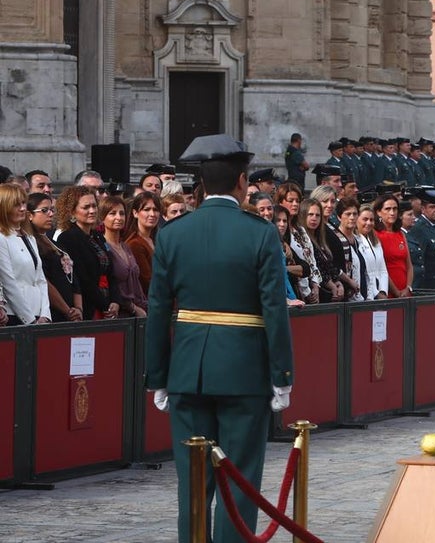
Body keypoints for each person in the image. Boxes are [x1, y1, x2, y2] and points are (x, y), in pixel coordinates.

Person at [144, 134, 293, 543]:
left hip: (188, 370)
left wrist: (158, 376)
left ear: (201, 186)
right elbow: (275, 308)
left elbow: (157, 309)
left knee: (193, 481)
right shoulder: (260, 233)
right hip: (245, 371)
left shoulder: (173, 234)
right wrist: (282, 373)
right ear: (242, 182)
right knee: (239, 479)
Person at [55, 185, 121, 320]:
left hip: (108, 304)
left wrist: (115, 301)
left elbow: (110, 273)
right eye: (86, 207)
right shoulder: (68, 238)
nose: (92, 210)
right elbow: (82, 279)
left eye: (94, 206)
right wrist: (105, 305)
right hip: (88, 307)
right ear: (72, 212)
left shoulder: (98, 236)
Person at [0, 183, 51, 325]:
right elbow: (8, 282)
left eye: (24, 203)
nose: (23, 208)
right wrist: (30, 320)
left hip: (38, 314)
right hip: (15, 315)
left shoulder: (30, 238)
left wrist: (45, 314)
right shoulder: (2, 239)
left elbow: (40, 279)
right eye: (16, 205)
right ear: (4, 207)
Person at [26, 193, 82, 322]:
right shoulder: (31, 244)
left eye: (52, 210)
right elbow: (44, 281)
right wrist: (67, 310)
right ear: (29, 215)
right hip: (53, 311)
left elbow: (74, 278)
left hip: (72, 310)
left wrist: (78, 308)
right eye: (44, 210)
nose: (51, 214)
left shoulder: (55, 243)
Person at [101, 196, 148, 318]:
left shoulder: (125, 246)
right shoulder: (102, 247)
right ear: (102, 217)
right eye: (112, 213)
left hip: (139, 310)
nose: (119, 218)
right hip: (119, 314)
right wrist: (133, 308)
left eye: (122, 213)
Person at [373, 195, 413, 297]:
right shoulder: (375, 234)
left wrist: (408, 288)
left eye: (395, 209)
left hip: (405, 292)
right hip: (387, 291)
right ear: (378, 212)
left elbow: (409, 265)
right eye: (387, 209)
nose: (392, 212)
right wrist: (396, 292)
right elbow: (381, 268)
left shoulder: (400, 233)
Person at [125, 192, 162, 296]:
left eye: (155, 210)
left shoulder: (156, 240)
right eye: (146, 210)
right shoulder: (134, 244)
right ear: (135, 213)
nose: (152, 214)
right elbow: (147, 281)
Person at [355, 204, 389, 300]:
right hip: (367, 294)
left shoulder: (375, 241)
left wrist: (383, 291)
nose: (369, 223)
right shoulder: (355, 241)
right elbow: (366, 272)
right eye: (365, 219)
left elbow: (383, 270)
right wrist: (376, 293)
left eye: (371, 220)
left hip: (381, 294)